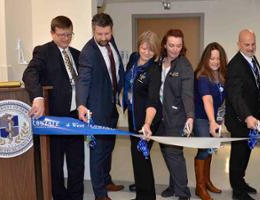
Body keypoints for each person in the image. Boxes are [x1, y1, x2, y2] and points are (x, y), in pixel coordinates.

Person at [23, 16, 84, 200]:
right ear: (52, 33)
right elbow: (29, 74)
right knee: (55, 164)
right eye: (61, 35)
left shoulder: (77, 54)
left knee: (77, 162)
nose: (66, 38)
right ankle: (59, 197)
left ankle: (75, 197)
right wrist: (38, 97)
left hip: (75, 116)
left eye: (69, 34)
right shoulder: (43, 51)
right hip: (54, 117)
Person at [76, 13, 124, 200]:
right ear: (93, 31)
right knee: (98, 152)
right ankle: (100, 193)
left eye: (107, 33)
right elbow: (83, 81)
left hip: (111, 107)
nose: (104, 38)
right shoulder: (88, 52)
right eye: (99, 34)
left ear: (111, 30)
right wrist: (81, 105)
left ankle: (106, 180)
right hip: (96, 109)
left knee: (109, 147)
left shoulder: (111, 42)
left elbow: (116, 68)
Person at [123, 30, 161, 200]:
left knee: (141, 157)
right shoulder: (132, 58)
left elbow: (153, 100)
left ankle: (147, 197)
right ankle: (142, 194)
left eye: (151, 50)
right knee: (138, 158)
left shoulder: (154, 69)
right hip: (132, 115)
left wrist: (147, 124)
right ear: (138, 46)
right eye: (144, 48)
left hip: (147, 119)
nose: (146, 53)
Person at [225, 29, 260, 200]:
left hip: (252, 119)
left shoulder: (252, 60)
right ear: (239, 44)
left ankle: (241, 182)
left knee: (246, 153)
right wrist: (247, 116)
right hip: (240, 120)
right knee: (238, 155)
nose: (251, 47)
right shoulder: (235, 65)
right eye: (247, 44)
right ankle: (237, 192)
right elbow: (236, 96)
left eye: (253, 44)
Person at [157, 29, 194, 200]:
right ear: (165, 44)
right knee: (166, 153)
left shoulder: (184, 65)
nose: (175, 49)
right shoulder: (158, 61)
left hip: (176, 118)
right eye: (171, 45)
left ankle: (182, 192)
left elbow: (187, 94)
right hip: (159, 117)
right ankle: (173, 186)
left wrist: (190, 116)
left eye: (178, 46)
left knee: (174, 155)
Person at [193, 42, 227, 200]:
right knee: (203, 150)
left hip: (215, 119)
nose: (215, 61)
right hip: (202, 119)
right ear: (206, 59)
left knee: (210, 149)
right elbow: (207, 100)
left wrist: (220, 119)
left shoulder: (220, 76)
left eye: (218, 59)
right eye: (212, 58)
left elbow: (221, 100)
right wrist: (213, 121)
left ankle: (206, 181)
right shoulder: (202, 76)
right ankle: (200, 187)